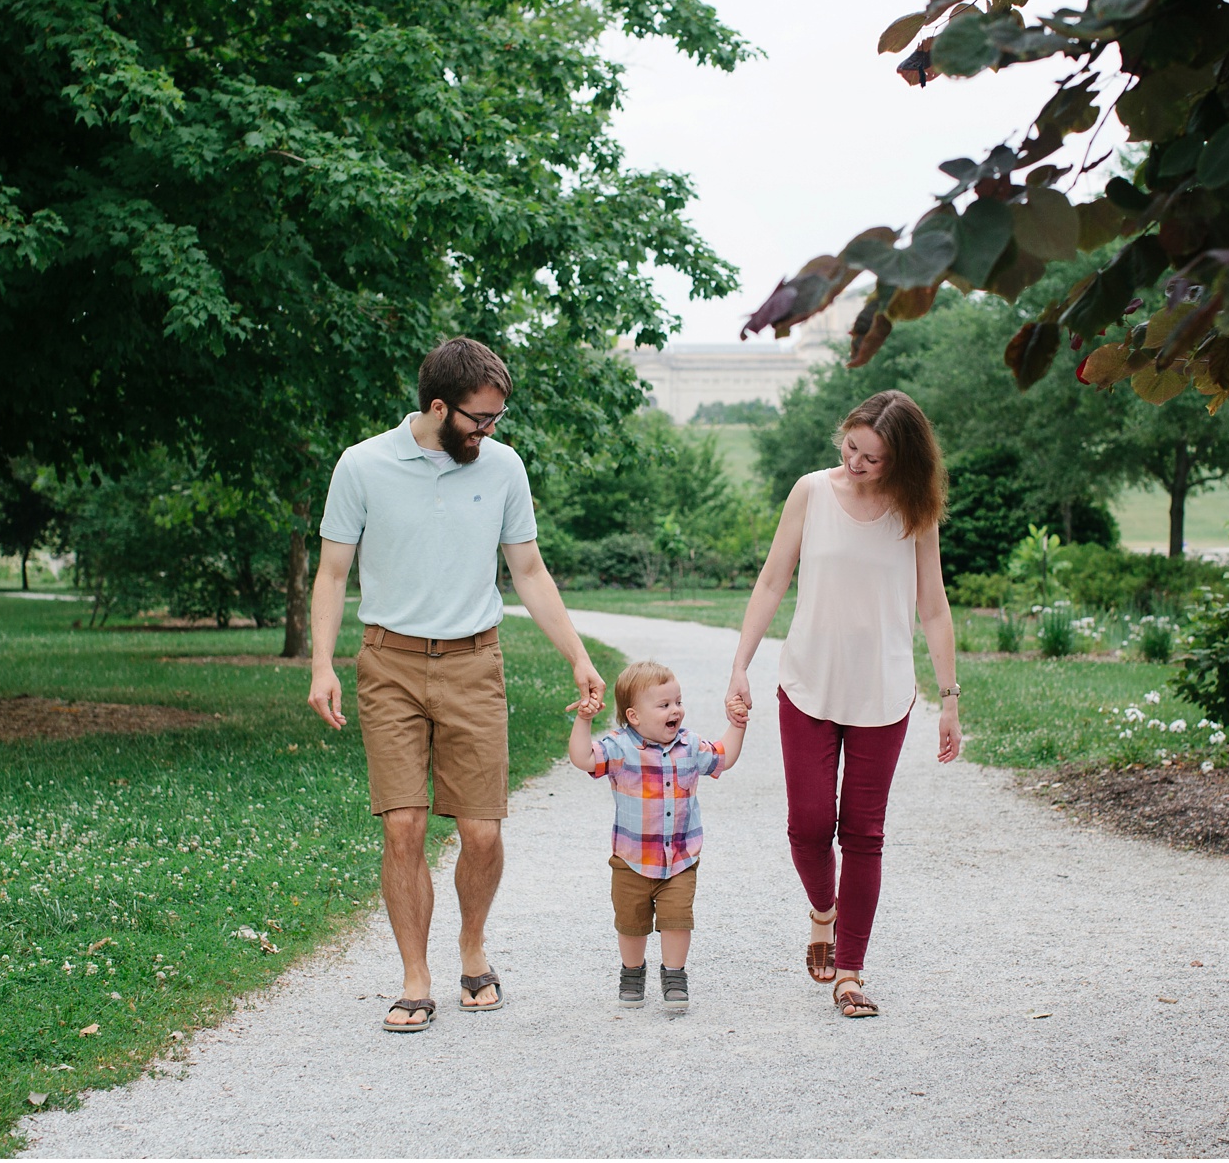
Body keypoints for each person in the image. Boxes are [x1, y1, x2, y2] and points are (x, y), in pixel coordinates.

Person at [308, 336, 605, 1033]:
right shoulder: (363, 465)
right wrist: (322, 663)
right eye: (478, 419)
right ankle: (416, 976)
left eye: (497, 418)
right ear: (438, 406)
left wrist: (578, 656)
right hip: (390, 663)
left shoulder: (502, 468)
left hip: (475, 661)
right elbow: (331, 573)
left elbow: (528, 570)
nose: (489, 431)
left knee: (481, 832)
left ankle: (473, 947)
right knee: (404, 826)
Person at [723, 390, 961, 1018]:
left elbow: (932, 607)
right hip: (808, 686)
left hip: (882, 694)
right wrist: (740, 666)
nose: (856, 463)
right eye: (852, 447)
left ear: (902, 462)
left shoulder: (916, 513)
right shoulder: (811, 492)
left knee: (863, 836)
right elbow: (773, 578)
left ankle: (851, 971)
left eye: (873, 458)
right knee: (807, 826)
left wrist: (950, 699)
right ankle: (822, 913)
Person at [568, 660, 747, 1011]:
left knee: (677, 919)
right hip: (631, 860)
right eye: (664, 705)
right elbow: (582, 758)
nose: (675, 710)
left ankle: (674, 974)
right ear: (634, 716)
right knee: (631, 923)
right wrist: (584, 719)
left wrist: (736, 724)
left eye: (677, 702)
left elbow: (724, 758)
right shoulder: (619, 748)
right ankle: (632, 972)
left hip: (680, 858)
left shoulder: (690, 745)